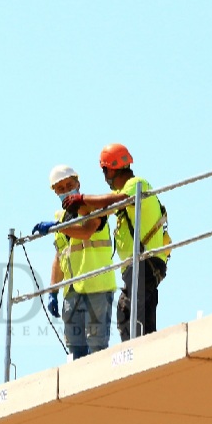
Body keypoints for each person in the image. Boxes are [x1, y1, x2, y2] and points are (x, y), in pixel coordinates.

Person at [61, 144, 168, 342]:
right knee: (130, 313)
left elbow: (116, 200)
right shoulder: (122, 197)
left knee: (133, 314)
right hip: (137, 265)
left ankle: (141, 355)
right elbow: (99, 215)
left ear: (109, 169)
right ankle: (146, 351)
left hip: (145, 262)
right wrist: (75, 210)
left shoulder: (137, 184)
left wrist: (81, 198)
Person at [32, 164, 116, 359]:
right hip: (72, 291)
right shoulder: (61, 217)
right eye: (60, 189)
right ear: (55, 192)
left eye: (69, 185)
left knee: (97, 345)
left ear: (78, 183)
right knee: (74, 348)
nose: (65, 191)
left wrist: (57, 227)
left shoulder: (93, 206)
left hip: (97, 285)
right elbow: (59, 257)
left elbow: (87, 231)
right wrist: (53, 291)